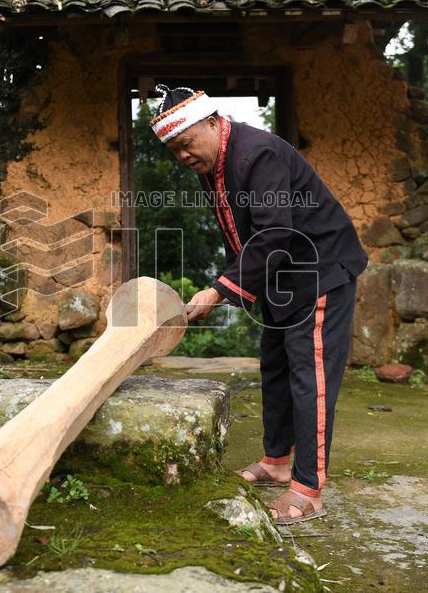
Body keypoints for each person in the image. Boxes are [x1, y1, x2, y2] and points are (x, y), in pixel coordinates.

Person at [149, 84, 368, 525]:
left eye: (187, 143)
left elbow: (271, 235)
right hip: (281, 277)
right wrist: (225, 287)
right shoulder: (214, 168)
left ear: (211, 123)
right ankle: (276, 462)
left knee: (311, 377)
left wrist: (219, 290)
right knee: (276, 367)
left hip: (318, 269)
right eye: (174, 151)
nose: (183, 156)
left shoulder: (257, 154)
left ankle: (308, 487)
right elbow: (240, 236)